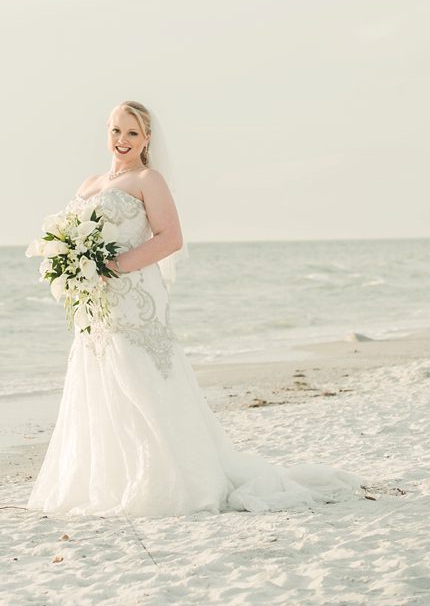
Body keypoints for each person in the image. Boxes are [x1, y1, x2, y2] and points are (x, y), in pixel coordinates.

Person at [27, 103, 360, 518]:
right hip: (95, 305)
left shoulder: (150, 179)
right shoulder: (89, 182)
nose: (122, 140)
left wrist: (115, 266)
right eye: (116, 130)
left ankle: (170, 479)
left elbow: (171, 239)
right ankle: (104, 481)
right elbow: (72, 234)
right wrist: (74, 264)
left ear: (147, 138)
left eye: (132, 133)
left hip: (134, 297)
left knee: (142, 379)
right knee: (99, 380)